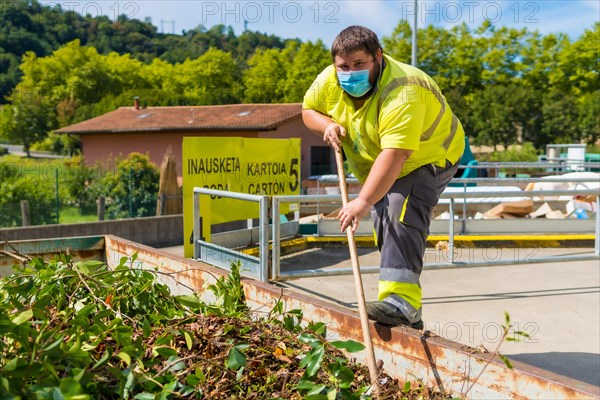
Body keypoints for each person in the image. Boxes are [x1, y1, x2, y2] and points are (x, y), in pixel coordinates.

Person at [302, 25, 465, 329]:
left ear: (377, 56)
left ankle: (403, 304)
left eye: (359, 64)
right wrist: (326, 124)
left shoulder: (403, 89)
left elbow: (395, 155)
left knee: (397, 207)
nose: (350, 73)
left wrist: (362, 200)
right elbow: (308, 110)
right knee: (383, 216)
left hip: (430, 155)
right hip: (383, 160)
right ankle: (401, 308)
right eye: (344, 67)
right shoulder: (330, 79)